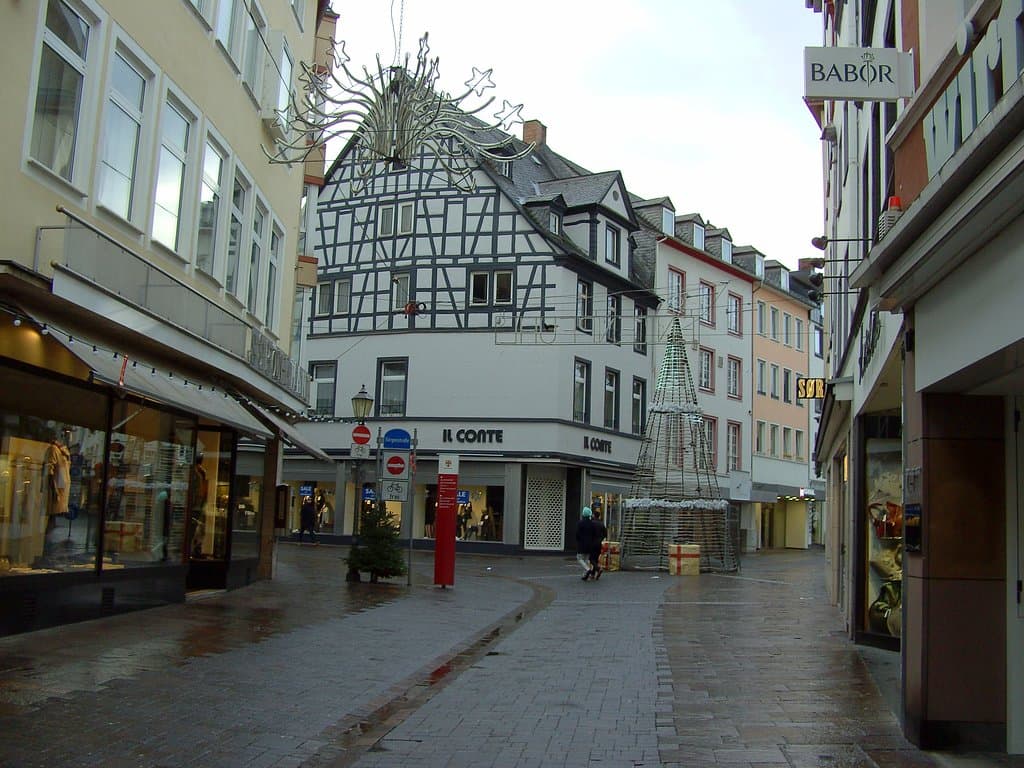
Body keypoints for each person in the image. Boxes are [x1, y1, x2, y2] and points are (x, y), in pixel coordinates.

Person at [575, 506, 605, 581]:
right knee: (587, 559)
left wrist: (578, 541)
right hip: (591, 544)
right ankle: (585, 574)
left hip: (582, 544)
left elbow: (577, 534)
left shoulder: (580, 523)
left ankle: (588, 570)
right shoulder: (592, 524)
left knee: (579, 558)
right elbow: (595, 534)